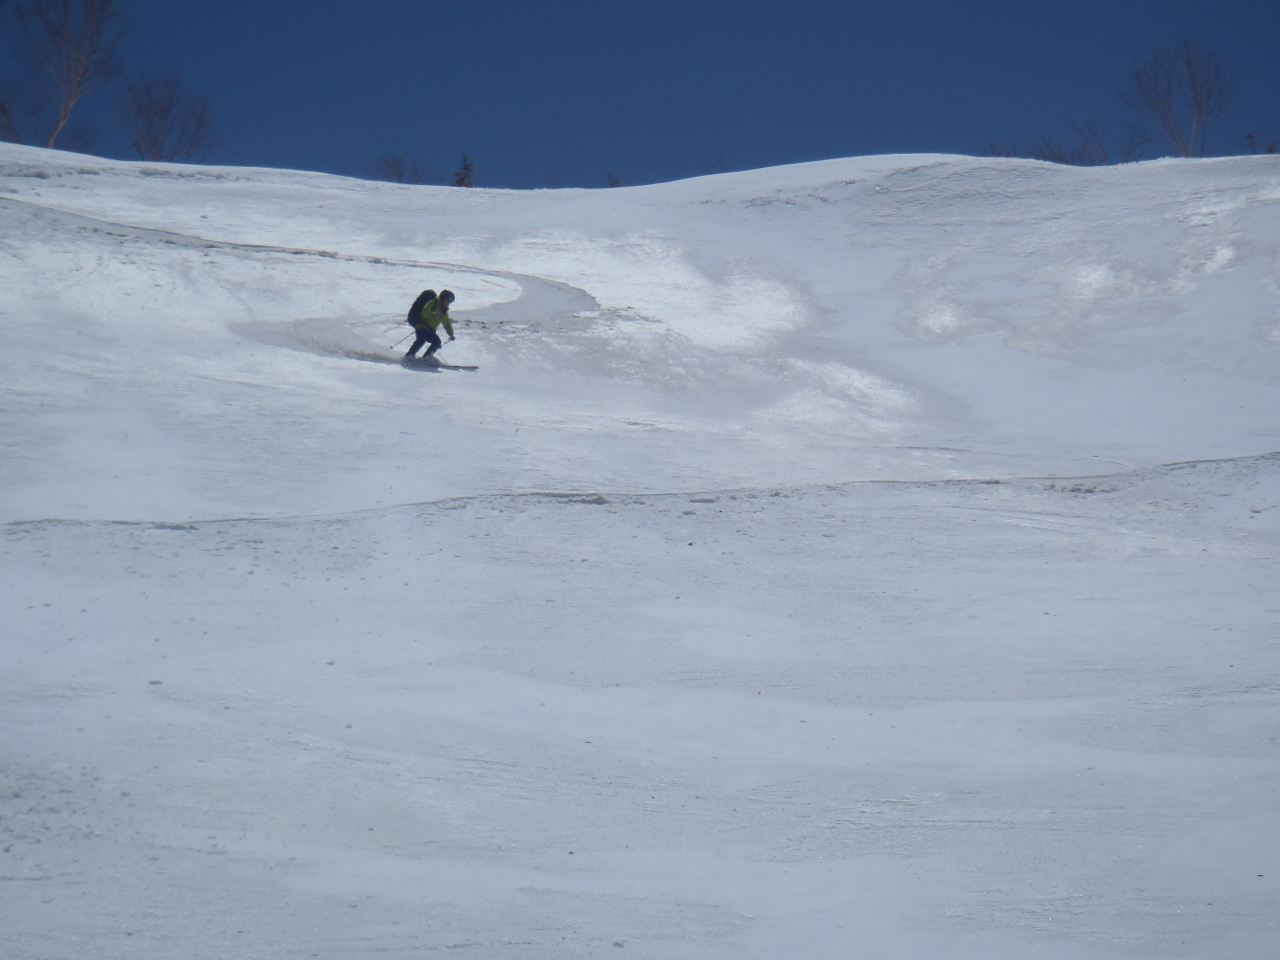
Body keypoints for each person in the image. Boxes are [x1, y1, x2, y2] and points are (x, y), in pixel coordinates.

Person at [404, 289, 457, 360]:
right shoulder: (433, 303)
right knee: (436, 341)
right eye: (448, 300)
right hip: (422, 327)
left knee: (421, 340)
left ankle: (411, 356)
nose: (448, 303)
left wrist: (451, 334)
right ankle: (425, 358)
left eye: (450, 302)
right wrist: (434, 315)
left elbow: (447, 324)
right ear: (443, 298)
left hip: (428, 330)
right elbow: (424, 312)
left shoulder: (443, 312)